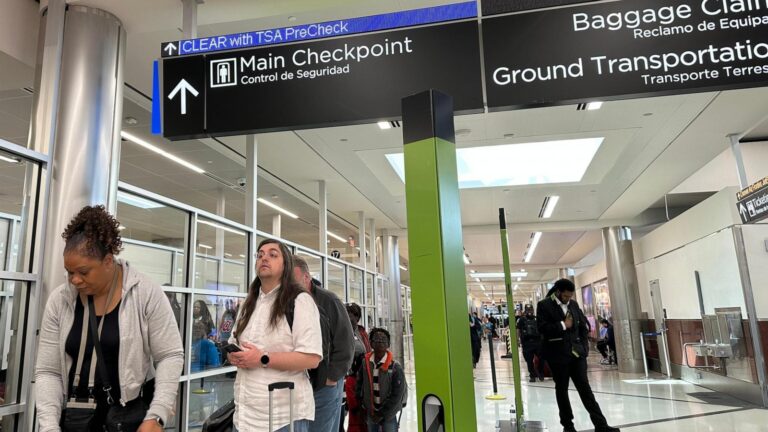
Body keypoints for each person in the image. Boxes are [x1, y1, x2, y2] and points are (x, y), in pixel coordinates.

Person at [35, 205, 184, 431]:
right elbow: (48, 371)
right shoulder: (60, 300)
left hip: (126, 419)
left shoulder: (145, 293)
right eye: (70, 272)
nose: (74, 280)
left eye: (83, 272)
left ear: (108, 261)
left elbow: (170, 355)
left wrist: (157, 414)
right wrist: (48, 426)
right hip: (76, 419)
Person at [227, 239, 322, 432]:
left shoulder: (300, 301)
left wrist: (262, 358)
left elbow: (311, 358)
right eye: (260, 255)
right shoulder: (248, 303)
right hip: (244, 416)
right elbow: (233, 341)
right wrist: (233, 355)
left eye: (272, 255)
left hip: (283, 417)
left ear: (285, 265)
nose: (264, 258)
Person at [537, 279, 619, 432]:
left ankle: (601, 425)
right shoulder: (544, 305)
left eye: (570, 296)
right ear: (558, 292)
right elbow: (542, 328)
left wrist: (584, 348)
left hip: (577, 355)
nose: (568, 299)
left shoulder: (573, 305)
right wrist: (563, 325)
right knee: (562, 391)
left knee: (585, 390)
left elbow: (583, 326)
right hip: (558, 356)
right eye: (565, 296)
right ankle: (568, 426)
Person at [292, 255, 355, 432]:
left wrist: (331, 377)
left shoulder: (329, 301)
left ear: (306, 277)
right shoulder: (289, 302)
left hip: (326, 384)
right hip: (302, 383)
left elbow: (346, 342)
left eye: (292, 279)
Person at [356, 328, 405, 432]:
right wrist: (361, 407)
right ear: (371, 343)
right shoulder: (365, 363)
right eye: (377, 339)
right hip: (371, 412)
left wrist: (381, 414)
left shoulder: (395, 367)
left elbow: (397, 394)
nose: (380, 342)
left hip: (389, 413)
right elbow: (359, 386)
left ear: (388, 344)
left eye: (384, 340)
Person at [343, 303, 371, 432]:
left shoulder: (362, 332)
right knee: (351, 410)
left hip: (364, 377)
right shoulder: (341, 332)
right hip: (348, 377)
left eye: (353, 315)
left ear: (357, 317)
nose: (349, 317)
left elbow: (368, 350)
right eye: (347, 314)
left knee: (362, 412)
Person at [516, 305, 544, 382]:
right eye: (528, 310)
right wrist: (517, 340)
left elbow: (542, 329)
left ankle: (540, 372)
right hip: (527, 343)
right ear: (525, 311)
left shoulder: (537, 319)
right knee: (529, 360)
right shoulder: (521, 320)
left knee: (542, 358)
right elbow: (518, 329)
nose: (530, 311)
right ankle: (532, 376)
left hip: (537, 342)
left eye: (531, 310)